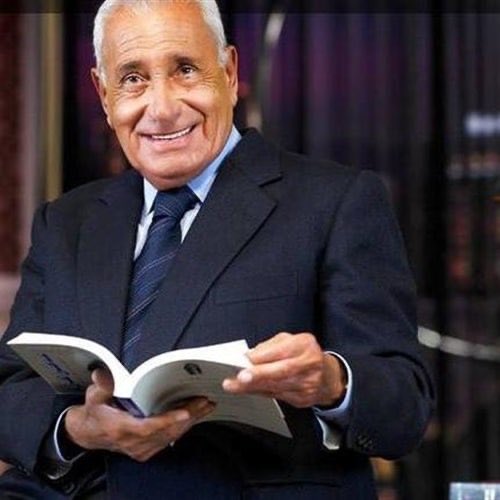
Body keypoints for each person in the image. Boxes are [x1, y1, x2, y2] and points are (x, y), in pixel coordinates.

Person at [0, 0, 435, 498]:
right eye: (133, 79)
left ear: (229, 73)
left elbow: (405, 407)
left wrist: (331, 382)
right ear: (103, 93)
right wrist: (76, 428)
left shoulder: (336, 202)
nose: (162, 108)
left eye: (185, 70)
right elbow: (10, 389)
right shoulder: (65, 222)